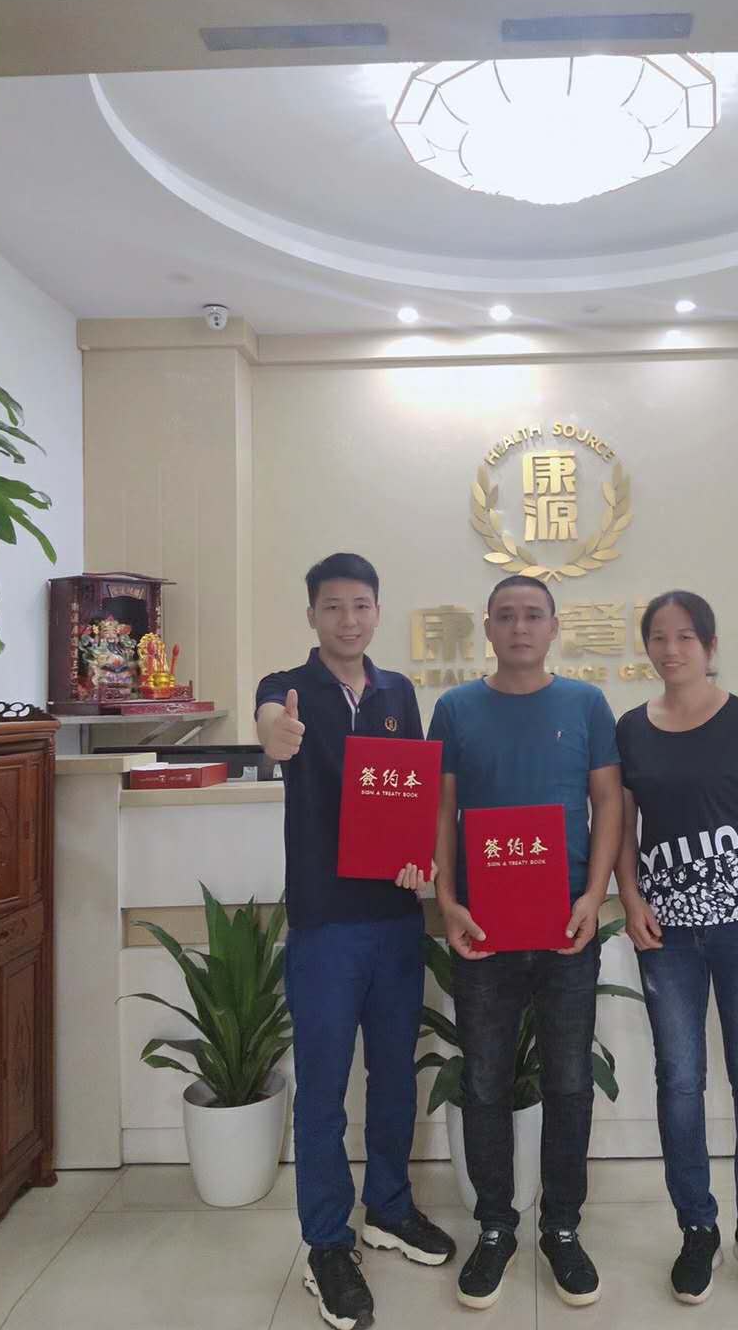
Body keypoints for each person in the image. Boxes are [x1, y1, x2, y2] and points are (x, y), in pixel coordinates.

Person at [256, 553, 455, 1330]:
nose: (349, 619)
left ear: (377, 610)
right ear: (312, 615)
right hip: (326, 924)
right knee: (325, 1088)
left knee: (394, 1076)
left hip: (396, 918)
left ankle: (390, 1208)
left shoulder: (398, 692)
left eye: (361, 605)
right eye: (333, 606)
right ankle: (327, 1243)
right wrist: (277, 734)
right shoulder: (287, 688)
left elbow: (416, 793)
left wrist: (422, 858)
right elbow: (271, 730)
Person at [428, 575, 623, 1311]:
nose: (519, 627)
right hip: (483, 931)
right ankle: (495, 1227)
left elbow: (608, 802)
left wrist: (594, 895)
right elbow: (442, 812)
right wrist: (448, 902)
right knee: (485, 1081)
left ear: (554, 626)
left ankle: (563, 1228)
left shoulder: (586, 704)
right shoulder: (455, 709)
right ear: (486, 626)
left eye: (533, 615)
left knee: (569, 1081)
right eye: (506, 616)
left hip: (568, 926)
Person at [614, 590, 738, 1307]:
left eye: (686, 637)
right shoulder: (630, 730)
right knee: (679, 1079)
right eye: (659, 638)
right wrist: (630, 900)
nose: (671, 650)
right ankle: (697, 1228)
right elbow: (622, 828)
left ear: (710, 645)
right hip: (666, 935)